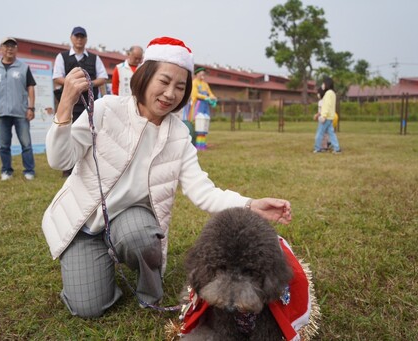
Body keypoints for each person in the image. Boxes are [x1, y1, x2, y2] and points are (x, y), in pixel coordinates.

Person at [41, 36, 293, 319]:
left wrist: (250, 204)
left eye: (180, 87)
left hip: (130, 220)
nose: (170, 93)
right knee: (88, 308)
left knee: (141, 236)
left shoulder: (179, 134)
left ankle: (148, 287)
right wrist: (65, 106)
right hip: (84, 224)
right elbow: (59, 160)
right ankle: (97, 263)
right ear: (145, 77)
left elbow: (203, 190)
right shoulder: (105, 110)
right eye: (164, 81)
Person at [0, 37, 37, 180]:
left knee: (26, 143)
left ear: (16, 49)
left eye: (12, 46)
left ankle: (29, 170)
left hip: (20, 112)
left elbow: (30, 88)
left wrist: (31, 107)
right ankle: (6, 171)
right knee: (4, 145)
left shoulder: (24, 68)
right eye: (6, 46)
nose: (9, 49)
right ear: (1, 49)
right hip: (0, 112)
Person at [52, 26, 108, 122]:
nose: (79, 39)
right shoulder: (62, 56)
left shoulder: (95, 58)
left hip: (90, 104)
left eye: (82, 37)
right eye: (76, 36)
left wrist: (89, 84)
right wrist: (75, 84)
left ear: (86, 39)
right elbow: (57, 77)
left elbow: (103, 78)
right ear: (71, 38)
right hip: (68, 103)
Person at [184, 67, 217, 149]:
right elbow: (194, 94)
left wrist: (213, 98)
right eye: (201, 73)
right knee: (198, 123)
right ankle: (196, 143)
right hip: (198, 105)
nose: (203, 75)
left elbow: (210, 93)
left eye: (204, 74)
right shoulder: (194, 83)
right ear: (197, 74)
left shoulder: (205, 84)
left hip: (205, 105)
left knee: (204, 123)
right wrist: (205, 97)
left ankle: (202, 143)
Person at [313, 76, 341, 154]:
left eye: (323, 83)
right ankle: (337, 148)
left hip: (326, 117)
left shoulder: (328, 93)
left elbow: (326, 105)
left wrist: (323, 115)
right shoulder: (333, 93)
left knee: (319, 133)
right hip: (330, 117)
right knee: (331, 133)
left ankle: (317, 148)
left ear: (327, 84)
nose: (323, 85)